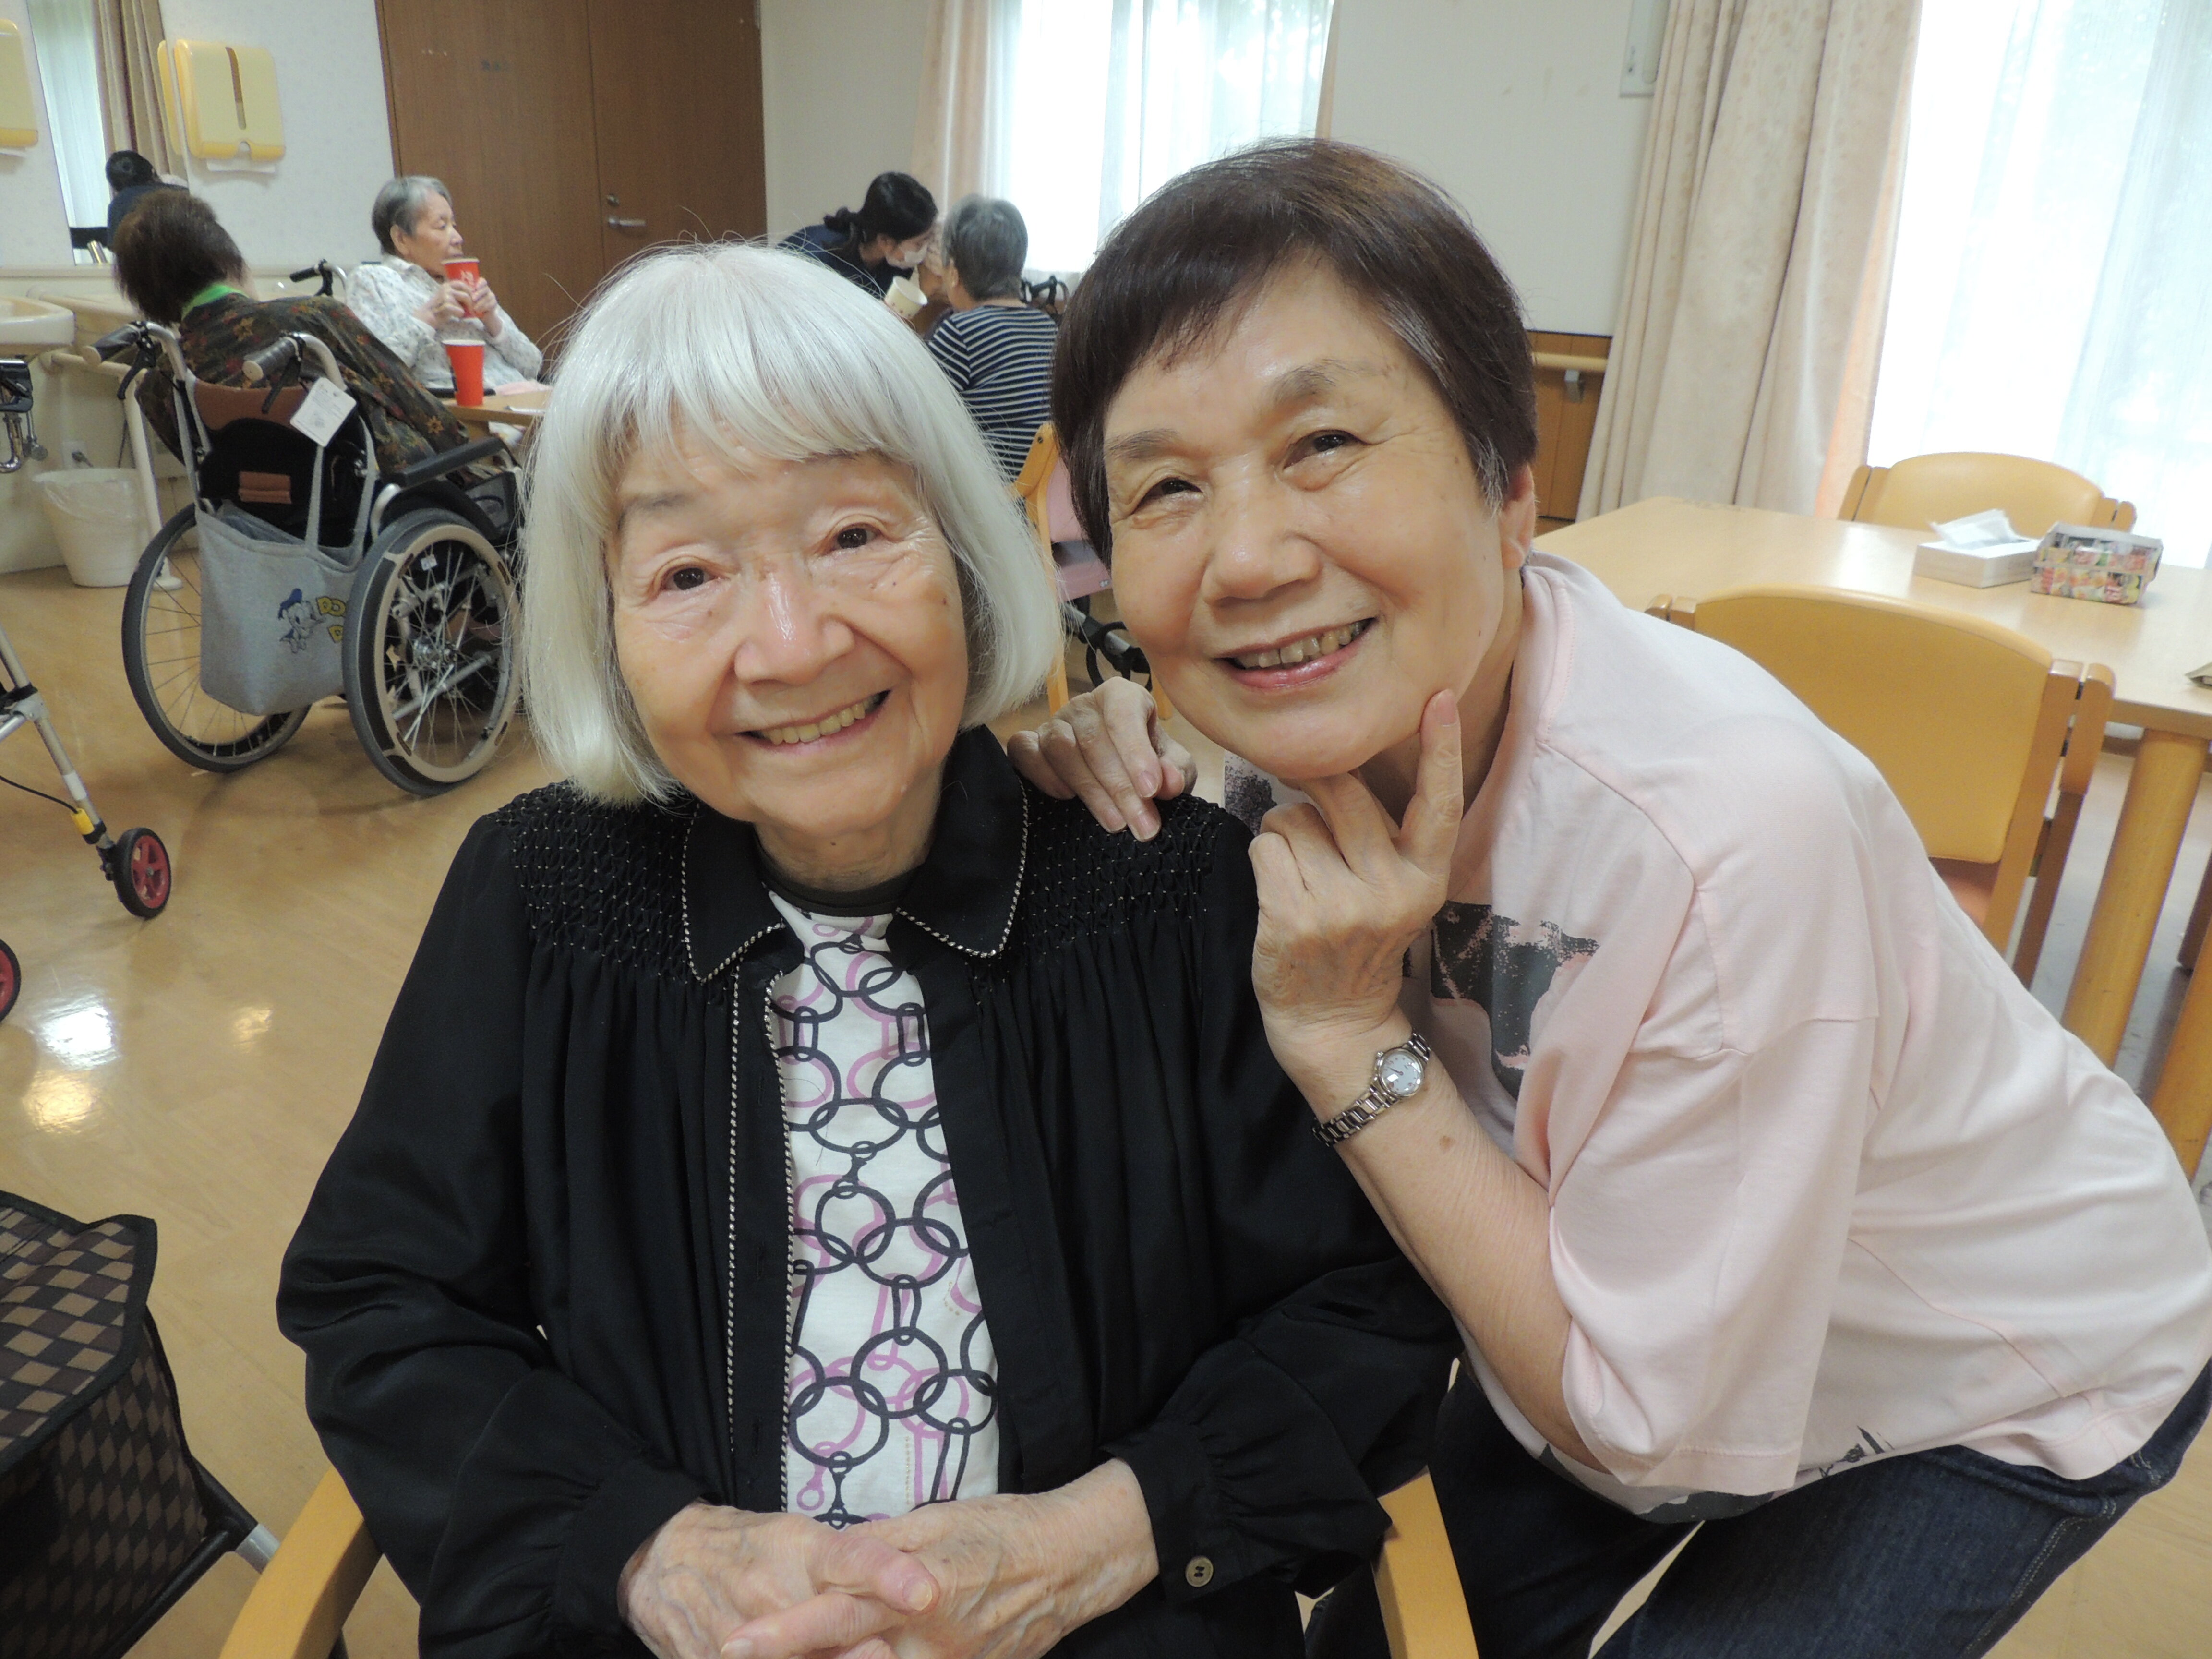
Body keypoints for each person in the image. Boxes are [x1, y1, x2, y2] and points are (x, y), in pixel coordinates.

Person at [1011, 139, 2212, 1659]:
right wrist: (1091, 747)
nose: (1245, 559)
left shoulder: (1716, 840)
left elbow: (1657, 1441)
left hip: (1986, 1356)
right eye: (1169, 486)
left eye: (1321, 442)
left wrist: (1350, 1044)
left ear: (1514, 491)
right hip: (1622, 1292)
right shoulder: (1271, 735)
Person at [276, 240, 1454, 1659]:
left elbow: (1362, 1311)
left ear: (959, 555)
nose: (789, 646)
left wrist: (1083, 1545)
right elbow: (382, 1296)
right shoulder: (542, 895)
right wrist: (650, 1550)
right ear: (607, 622)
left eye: (850, 536)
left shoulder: (1160, 887)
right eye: (688, 571)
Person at [112, 190, 477, 478]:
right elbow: (411, 401)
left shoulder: (161, 383)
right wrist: (470, 457)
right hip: (380, 492)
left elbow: (208, 471)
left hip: (262, 517)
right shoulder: (310, 318)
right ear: (225, 258)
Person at [347, 175, 545, 396]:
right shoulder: (373, 280)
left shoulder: (459, 280)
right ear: (401, 239)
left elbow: (533, 366)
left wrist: (493, 322)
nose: (458, 238)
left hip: (525, 396)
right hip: (469, 407)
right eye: (442, 226)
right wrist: (429, 318)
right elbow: (372, 372)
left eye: (454, 225)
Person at [927, 194, 1057, 480]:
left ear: (954, 273)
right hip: (1043, 494)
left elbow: (917, 416)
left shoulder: (959, 333)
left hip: (987, 493)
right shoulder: (1048, 328)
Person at [781, 170, 938, 300]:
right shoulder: (818, 259)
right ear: (885, 241)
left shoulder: (896, 266)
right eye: (919, 243)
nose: (925, 249)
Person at [104, 149, 180, 244]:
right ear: (151, 170)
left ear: (114, 186)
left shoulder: (119, 206)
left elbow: (116, 247)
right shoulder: (182, 193)